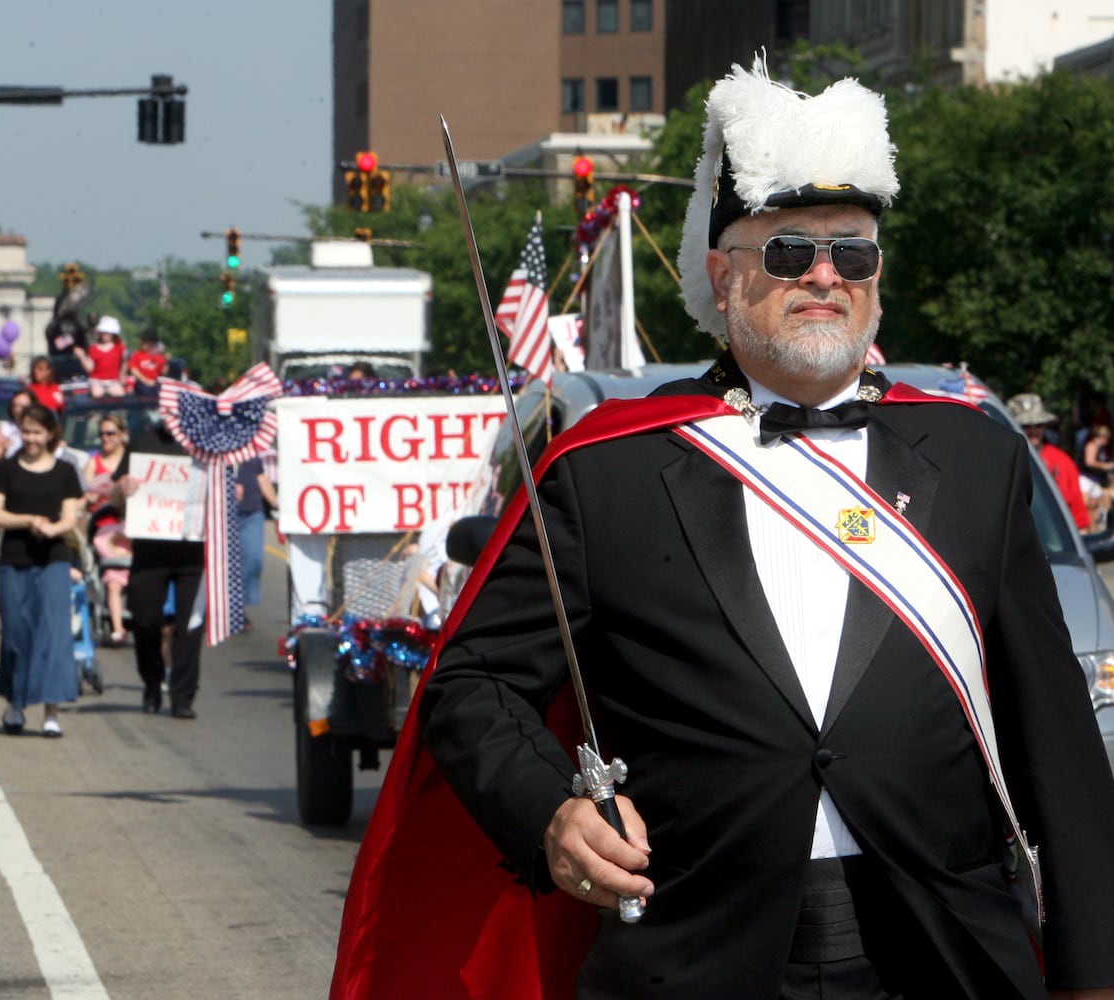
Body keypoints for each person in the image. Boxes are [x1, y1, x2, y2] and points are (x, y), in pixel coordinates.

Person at [333, 60, 1114, 1000]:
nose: (824, 275)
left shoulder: (976, 459)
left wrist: (1091, 968)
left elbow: (1053, 733)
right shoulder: (606, 471)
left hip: (941, 957)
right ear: (723, 273)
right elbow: (475, 681)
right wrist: (552, 810)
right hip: (693, 958)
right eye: (787, 251)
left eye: (853, 252)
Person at [0, 402, 83, 737]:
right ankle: (15, 703)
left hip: (53, 560)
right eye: (25, 431)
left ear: (50, 434)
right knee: (16, 634)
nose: (31, 438)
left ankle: (51, 711)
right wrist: (27, 521)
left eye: (37, 432)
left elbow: (71, 515)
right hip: (14, 561)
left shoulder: (65, 471)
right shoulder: (6, 469)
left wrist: (54, 529)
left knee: (54, 634)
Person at [110, 415, 206, 718]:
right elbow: (114, 498)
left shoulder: (205, 446)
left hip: (192, 551)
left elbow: (222, 490)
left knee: (189, 627)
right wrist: (122, 488)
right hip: (150, 551)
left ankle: (183, 697)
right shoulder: (143, 443)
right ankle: (152, 684)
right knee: (145, 621)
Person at [1008, 393, 1094, 533]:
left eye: (1039, 425)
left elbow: (1079, 520)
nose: (1033, 430)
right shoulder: (1001, 460)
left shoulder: (1062, 461)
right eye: (1025, 425)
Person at [84, 413, 132, 645]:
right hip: (105, 525)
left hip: (132, 523)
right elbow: (81, 494)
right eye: (102, 434)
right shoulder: (94, 463)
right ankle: (117, 627)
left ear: (123, 435)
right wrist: (91, 496)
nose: (105, 438)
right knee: (113, 574)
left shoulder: (131, 460)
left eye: (110, 433)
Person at [234, 455, 276, 625]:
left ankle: (239, 607)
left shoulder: (251, 453)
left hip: (252, 513)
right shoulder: (214, 447)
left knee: (253, 558)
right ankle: (226, 610)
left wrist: (277, 504)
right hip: (222, 514)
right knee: (225, 564)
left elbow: (261, 478)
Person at [86, 316, 127, 398]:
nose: (104, 335)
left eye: (107, 332)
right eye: (102, 332)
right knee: (97, 395)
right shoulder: (93, 348)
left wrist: (122, 376)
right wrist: (82, 357)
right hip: (96, 381)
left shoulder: (120, 348)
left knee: (120, 395)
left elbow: (125, 362)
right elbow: (90, 367)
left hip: (113, 381)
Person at [127, 329, 168, 393]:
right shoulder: (137, 354)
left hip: (154, 383)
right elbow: (133, 369)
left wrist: (166, 360)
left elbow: (163, 372)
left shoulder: (159, 357)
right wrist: (145, 380)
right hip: (140, 382)